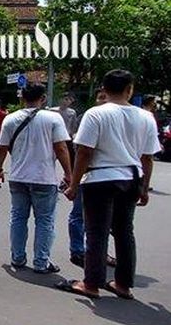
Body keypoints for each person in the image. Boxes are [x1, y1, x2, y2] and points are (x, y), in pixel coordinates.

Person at [59, 70, 161, 299]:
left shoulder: (96, 114)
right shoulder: (146, 117)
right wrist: (144, 187)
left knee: (97, 232)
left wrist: (74, 185)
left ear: (103, 89)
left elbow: (84, 151)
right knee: (125, 232)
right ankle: (123, 285)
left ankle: (91, 284)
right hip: (131, 178)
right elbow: (147, 157)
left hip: (101, 179)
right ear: (130, 89)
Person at [0, 84, 71, 273]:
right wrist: (69, 174)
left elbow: (2, 147)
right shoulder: (53, 118)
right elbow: (61, 148)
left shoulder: (10, 119)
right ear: (43, 98)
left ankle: (17, 258)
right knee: (44, 221)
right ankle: (41, 262)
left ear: (22, 99)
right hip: (44, 178)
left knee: (18, 218)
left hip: (18, 177)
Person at [68, 88, 111, 268]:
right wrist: (73, 180)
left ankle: (99, 253)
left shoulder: (118, 118)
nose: (102, 100)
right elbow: (79, 149)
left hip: (108, 176)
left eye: (105, 97)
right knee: (79, 214)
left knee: (103, 220)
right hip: (86, 173)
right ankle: (78, 250)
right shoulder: (87, 117)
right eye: (100, 97)